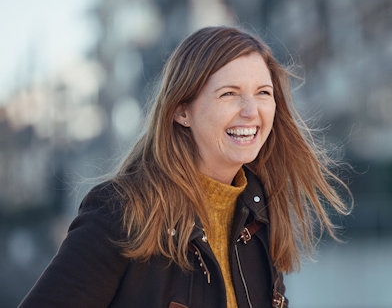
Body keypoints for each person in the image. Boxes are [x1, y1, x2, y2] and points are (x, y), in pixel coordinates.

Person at [20, 26, 351, 308]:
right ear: (182, 112)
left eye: (263, 92)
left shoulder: (258, 212)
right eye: (229, 94)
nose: (251, 111)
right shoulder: (123, 211)